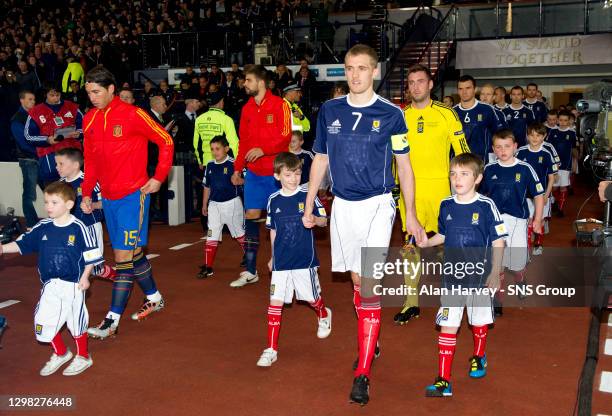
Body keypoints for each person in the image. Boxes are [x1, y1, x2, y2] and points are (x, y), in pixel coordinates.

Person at [303, 44, 425, 405]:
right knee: (357, 281)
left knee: (368, 281)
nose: (354, 75)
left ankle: (363, 372)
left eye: (361, 68)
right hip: (342, 206)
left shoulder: (391, 114)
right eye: (349, 68)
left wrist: (411, 213)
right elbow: (320, 159)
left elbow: (404, 167)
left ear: (374, 72)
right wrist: (309, 203)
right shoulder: (329, 110)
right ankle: (371, 335)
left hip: (377, 205)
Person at [81, 67, 174, 339]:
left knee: (122, 258)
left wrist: (158, 177)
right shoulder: (89, 119)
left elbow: (165, 140)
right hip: (108, 198)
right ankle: (155, 297)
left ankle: (111, 321)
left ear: (111, 89)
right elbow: (91, 160)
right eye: (88, 93)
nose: (92, 97)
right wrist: (87, 192)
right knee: (132, 254)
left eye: (96, 92)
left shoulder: (134, 114)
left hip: (134, 196)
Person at [418, 153, 506, 397]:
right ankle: (443, 381)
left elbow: (498, 241)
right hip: (452, 279)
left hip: (479, 277)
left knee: (478, 322)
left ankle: (479, 356)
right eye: (453, 173)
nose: (457, 179)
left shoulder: (486, 206)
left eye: (464, 174)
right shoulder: (446, 204)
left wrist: (496, 272)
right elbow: (443, 235)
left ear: (477, 178)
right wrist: (425, 242)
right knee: (448, 325)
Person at [0, 181, 101, 376]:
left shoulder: (79, 227)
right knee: (45, 320)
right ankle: (61, 353)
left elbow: (91, 255)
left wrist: (86, 277)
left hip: (73, 285)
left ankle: (83, 356)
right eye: (46, 202)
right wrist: (3, 248)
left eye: (54, 202)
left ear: (69, 204)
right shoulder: (43, 226)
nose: (48, 207)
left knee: (76, 322)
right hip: (49, 285)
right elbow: (23, 245)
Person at [394, 64, 469, 325]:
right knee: (410, 245)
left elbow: (461, 152)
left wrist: (466, 186)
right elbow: (394, 158)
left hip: (441, 190)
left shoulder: (447, 114)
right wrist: (396, 191)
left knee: (445, 245)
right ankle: (411, 303)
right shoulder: (400, 116)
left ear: (430, 84)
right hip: (410, 193)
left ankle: (452, 298)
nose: (416, 86)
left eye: (420, 81)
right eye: (411, 82)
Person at [257, 152, 331, 367]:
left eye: (297, 174)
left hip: (304, 260)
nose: (294, 179)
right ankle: (271, 349)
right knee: (275, 303)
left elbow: (324, 221)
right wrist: (272, 256)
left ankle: (323, 313)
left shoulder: (308, 196)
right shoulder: (273, 200)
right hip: (281, 261)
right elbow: (273, 231)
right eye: (288, 175)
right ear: (277, 176)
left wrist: (315, 220)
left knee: (310, 298)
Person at [229, 64, 292, 288]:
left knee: (282, 221)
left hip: (277, 174)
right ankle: (250, 270)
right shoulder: (246, 108)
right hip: (254, 173)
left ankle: (283, 266)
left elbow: (285, 136)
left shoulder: (280, 104)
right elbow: (243, 142)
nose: (244, 84)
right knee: (251, 217)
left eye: (248, 80)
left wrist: (264, 149)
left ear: (261, 83)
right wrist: (237, 168)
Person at [479, 129, 544, 316]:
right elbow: (480, 196)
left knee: (515, 263)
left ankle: (520, 278)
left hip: (518, 221)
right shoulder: (489, 169)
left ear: (515, 147)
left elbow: (538, 195)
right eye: (498, 147)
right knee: (496, 262)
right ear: (493, 149)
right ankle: (497, 299)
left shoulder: (525, 168)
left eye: (507, 146)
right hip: (495, 222)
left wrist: (538, 219)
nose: (503, 150)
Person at [55, 147, 116, 280]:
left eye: (61, 164)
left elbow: (107, 203)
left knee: (95, 268)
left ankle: (120, 278)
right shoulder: (60, 185)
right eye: (56, 164)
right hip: (70, 230)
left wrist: (93, 205)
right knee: (72, 265)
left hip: (90, 228)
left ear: (76, 165)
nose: (57, 167)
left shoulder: (90, 181)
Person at [199, 135, 246, 279]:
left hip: (232, 204)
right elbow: (206, 187)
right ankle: (208, 267)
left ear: (226, 149)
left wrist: (240, 181)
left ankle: (250, 258)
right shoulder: (210, 165)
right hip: (214, 205)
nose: (215, 152)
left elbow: (247, 181)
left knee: (240, 235)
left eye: (218, 149)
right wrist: (204, 204)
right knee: (211, 235)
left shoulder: (235, 164)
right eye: (212, 149)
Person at [25, 83, 83, 186]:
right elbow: (28, 136)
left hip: (72, 155)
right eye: (52, 95)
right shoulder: (35, 111)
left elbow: (86, 126)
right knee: (53, 194)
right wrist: (47, 140)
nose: (55, 98)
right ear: (45, 95)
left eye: (58, 95)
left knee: (78, 192)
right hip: (49, 158)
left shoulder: (72, 107)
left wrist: (79, 133)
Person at [516, 123, 557, 255]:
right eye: (531, 135)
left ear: (544, 137)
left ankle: (538, 244)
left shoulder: (546, 154)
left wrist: (546, 195)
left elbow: (552, 178)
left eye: (538, 135)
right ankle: (527, 246)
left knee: (541, 219)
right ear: (527, 136)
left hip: (542, 193)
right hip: (525, 193)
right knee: (527, 219)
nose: (534, 138)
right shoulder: (521, 151)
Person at [454, 75, 504, 163]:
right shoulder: (452, 112)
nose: (464, 92)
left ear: (475, 89)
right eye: (460, 89)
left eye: (468, 88)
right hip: (459, 163)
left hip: (481, 162)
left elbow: (501, 136)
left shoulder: (487, 110)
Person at [11, 90, 39, 229]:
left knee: (50, 189)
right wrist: (41, 151)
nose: (33, 102)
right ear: (22, 100)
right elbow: (23, 144)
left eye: (34, 99)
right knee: (29, 194)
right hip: (28, 160)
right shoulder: (17, 119)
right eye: (30, 99)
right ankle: (31, 224)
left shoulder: (33, 116)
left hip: (37, 158)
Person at [548, 110, 577, 217]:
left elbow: (574, 149)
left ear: (569, 121)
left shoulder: (572, 133)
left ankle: (561, 209)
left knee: (563, 187)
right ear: (557, 120)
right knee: (554, 187)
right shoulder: (552, 131)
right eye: (561, 120)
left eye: (565, 120)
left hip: (566, 164)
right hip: (554, 164)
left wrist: (574, 162)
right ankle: (553, 202)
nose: (563, 122)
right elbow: (548, 148)